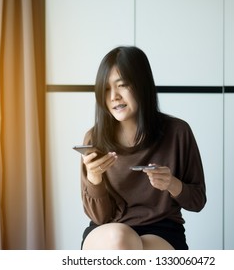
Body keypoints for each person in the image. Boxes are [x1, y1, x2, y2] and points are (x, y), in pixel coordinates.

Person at [80, 46, 206, 250]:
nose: (114, 97)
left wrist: (171, 183)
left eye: (122, 85)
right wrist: (94, 179)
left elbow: (197, 201)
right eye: (106, 89)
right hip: (108, 231)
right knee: (119, 238)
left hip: (162, 230)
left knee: (129, 245)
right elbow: (99, 217)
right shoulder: (94, 138)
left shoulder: (178, 132)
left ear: (142, 85)